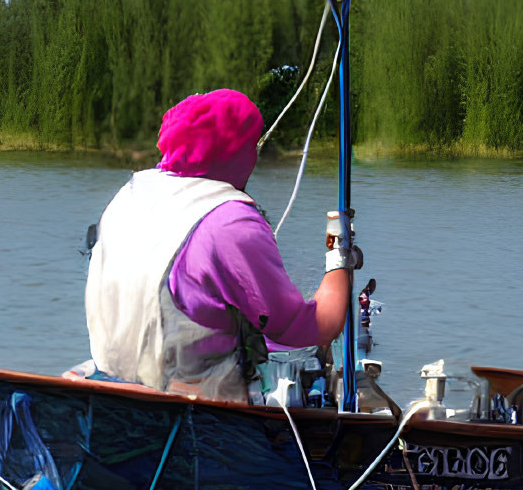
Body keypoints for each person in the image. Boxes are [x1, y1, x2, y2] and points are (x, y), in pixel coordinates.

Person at [79, 89, 356, 401]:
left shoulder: (129, 194)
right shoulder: (230, 219)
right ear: (239, 151)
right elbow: (312, 327)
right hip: (193, 416)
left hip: (110, 391)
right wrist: (339, 255)